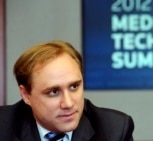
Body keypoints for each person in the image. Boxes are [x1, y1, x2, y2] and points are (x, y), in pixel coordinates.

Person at [0, 40, 134, 141]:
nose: (68, 104)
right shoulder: (4, 127)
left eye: (74, 86)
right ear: (26, 95)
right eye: (54, 92)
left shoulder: (114, 130)